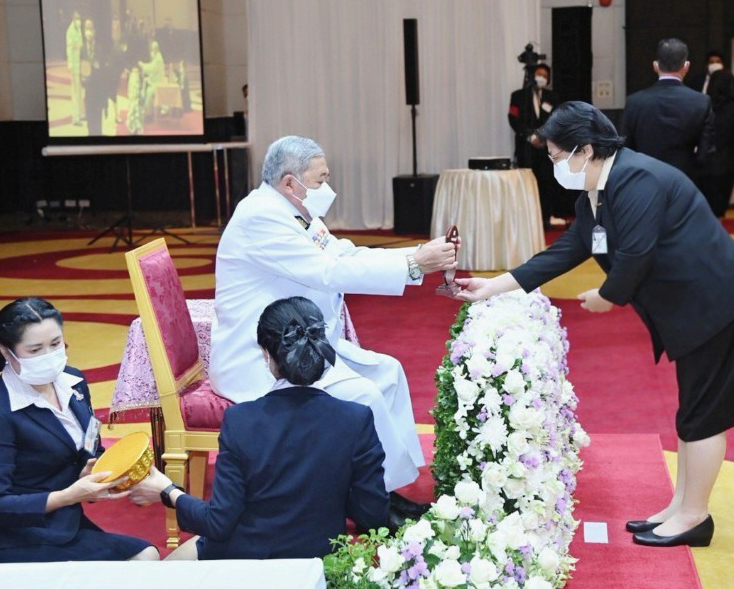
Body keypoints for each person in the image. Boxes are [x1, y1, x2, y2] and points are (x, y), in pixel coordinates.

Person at [454, 102, 734, 548]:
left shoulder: (637, 179)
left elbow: (637, 253)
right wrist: (493, 286)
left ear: (586, 149)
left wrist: (608, 296)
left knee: (705, 414)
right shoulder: (595, 195)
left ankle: (694, 515)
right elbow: (562, 254)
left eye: (557, 157)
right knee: (694, 411)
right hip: (695, 309)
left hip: (721, 303)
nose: (555, 166)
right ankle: (682, 507)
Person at [211, 136, 456, 520]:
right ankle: (373, 508)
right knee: (364, 395)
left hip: (305, 345)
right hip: (263, 359)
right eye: (320, 179)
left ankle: (384, 489)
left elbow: (342, 253)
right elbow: (328, 271)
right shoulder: (260, 218)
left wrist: (414, 256)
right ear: (291, 182)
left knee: (388, 373)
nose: (327, 188)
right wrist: (413, 264)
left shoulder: (293, 210)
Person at [130, 296, 391, 559]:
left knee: (164, 570)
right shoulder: (356, 419)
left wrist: (167, 491)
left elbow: (218, 523)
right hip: (319, 560)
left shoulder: (240, 419)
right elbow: (373, 515)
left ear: (266, 354)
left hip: (247, 560)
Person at [0, 298, 158, 562]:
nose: (49, 356)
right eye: (35, 349)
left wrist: (98, 471)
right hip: (19, 533)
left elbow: (90, 445)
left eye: (55, 344)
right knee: (144, 558)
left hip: (64, 523)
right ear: (7, 352)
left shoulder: (73, 382)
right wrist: (68, 496)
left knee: (144, 557)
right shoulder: (5, 410)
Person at [621, 38, 715, 184]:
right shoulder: (701, 102)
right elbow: (705, 154)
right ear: (686, 66)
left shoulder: (634, 102)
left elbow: (625, 149)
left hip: (644, 181)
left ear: (655, 66)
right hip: (684, 182)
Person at [508, 63, 566, 228]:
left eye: (545, 76)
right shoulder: (518, 96)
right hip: (526, 148)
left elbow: (556, 119)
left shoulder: (552, 97)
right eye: (539, 74)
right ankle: (525, 220)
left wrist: (543, 137)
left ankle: (546, 217)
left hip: (545, 147)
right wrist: (530, 136)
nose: (542, 78)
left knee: (546, 183)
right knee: (526, 183)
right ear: (533, 76)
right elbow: (513, 119)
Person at [695, 69, 734, 217]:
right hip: (726, 166)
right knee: (718, 212)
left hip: (700, 167)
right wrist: (728, 149)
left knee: (702, 211)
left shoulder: (700, 107)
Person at [65, 11, 84, 126]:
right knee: (75, 91)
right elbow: (69, 48)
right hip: (74, 64)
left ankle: (81, 114)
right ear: (73, 19)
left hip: (80, 63)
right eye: (77, 19)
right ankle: (75, 118)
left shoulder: (79, 29)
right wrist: (70, 65)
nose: (79, 21)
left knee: (81, 91)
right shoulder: (70, 31)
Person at [138, 41, 165, 120]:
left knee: (149, 92)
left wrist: (143, 65)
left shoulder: (158, 58)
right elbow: (151, 65)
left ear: (156, 48)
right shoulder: (156, 56)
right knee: (145, 86)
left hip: (157, 83)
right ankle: (146, 111)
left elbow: (152, 68)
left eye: (153, 49)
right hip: (154, 80)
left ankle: (148, 114)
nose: (152, 50)